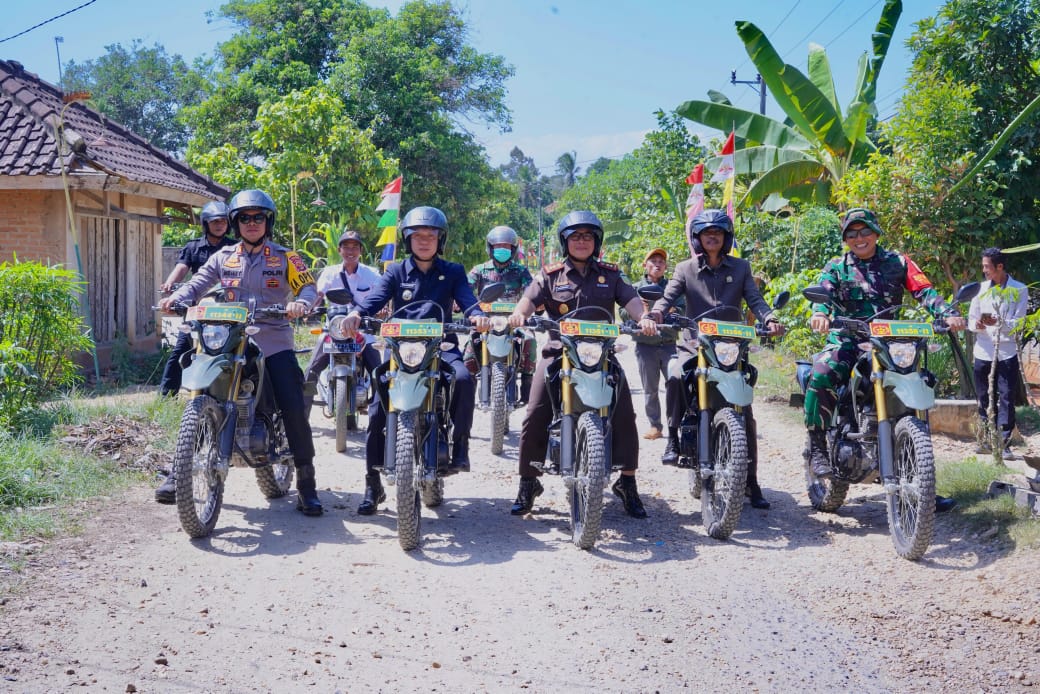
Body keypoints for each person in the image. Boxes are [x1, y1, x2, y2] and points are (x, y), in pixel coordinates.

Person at [156, 189, 324, 516]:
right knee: (198, 394)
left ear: (267, 221)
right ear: (235, 222)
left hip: (272, 337)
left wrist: (300, 303)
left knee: (291, 401)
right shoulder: (223, 257)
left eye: (257, 217)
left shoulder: (287, 257)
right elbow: (197, 283)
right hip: (230, 338)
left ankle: (306, 481)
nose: (251, 223)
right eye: (244, 218)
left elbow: (308, 286)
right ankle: (179, 473)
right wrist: (178, 298)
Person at [804, 207, 966, 513]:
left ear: (876, 233)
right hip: (848, 340)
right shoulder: (836, 267)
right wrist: (820, 314)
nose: (859, 238)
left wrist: (948, 314)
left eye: (864, 232)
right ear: (846, 239)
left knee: (912, 400)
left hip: (890, 344)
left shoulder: (899, 263)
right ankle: (816, 448)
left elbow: (925, 291)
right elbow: (823, 294)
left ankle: (924, 486)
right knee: (822, 372)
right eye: (851, 234)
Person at [506, 210, 658, 519]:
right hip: (558, 353)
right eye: (575, 236)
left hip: (601, 355)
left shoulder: (611, 275)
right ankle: (528, 481)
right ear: (565, 241)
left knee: (625, 413)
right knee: (534, 412)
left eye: (588, 236)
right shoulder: (551, 275)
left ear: (597, 241)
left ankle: (627, 482)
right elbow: (527, 300)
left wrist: (646, 320)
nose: (582, 241)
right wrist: (518, 314)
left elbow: (632, 303)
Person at [341, 206, 490, 515]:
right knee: (377, 411)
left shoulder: (453, 271)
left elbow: (467, 300)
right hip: (399, 350)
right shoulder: (395, 271)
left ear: (440, 240)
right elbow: (376, 298)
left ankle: (460, 446)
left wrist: (477, 316)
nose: (425, 241)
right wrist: (357, 313)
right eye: (418, 236)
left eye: (431, 235)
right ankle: (373, 485)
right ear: (408, 240)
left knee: (463, 379)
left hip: (441, 345)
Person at [647, 210, 783, 510]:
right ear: (697, 237)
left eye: (718, 232)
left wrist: (770, 318)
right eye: (706, 232)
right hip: (694, 345)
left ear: (726, 237)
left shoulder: (741, 267)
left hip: (731, 347)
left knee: (743, 412)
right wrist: (656, 313)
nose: (712, 236)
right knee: (674, 376)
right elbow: (667, 298)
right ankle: (672, 438)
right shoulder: (685, 269)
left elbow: (755, 300)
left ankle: (751, 481)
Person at [157, 201, 235, 397]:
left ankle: (231, 395)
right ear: (206, 223)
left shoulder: (235, 247)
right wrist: (169, 284)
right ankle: (166, 396)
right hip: (198, 311)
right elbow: (182, 268)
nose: (220, 225)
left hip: (229, 310)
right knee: (181, 351)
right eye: (215, 221)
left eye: (223, 222)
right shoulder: (193, 247)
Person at [302, 229, 382, 415]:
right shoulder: (330, 273)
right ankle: (302, 418)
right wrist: (310, 308)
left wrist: (384, 310)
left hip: (362, 332)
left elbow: (381, 298)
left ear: (361, 250)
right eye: (346, 247)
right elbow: (319, 295)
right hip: (334, 330)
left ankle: (382, 420)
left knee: (380, 374)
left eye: (355, 247)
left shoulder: (373, 275)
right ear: (339, 250)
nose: (350, 251)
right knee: (310, 372)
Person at [463, 225, 538, 406]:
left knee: (530, 340)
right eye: (498, 246)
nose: (502, 250)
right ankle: (467, 395)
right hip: (485, 321)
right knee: (468, 348)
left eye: (506, 246)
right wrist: (464, 308)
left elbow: (532, 293)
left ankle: (527, 387)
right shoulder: (479, 270)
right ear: (490, 248)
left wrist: (535, 306)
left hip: (514, 320)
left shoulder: (521, 271)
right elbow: (465, 292)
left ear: (513, 249)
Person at [968, 247, 1030, 460]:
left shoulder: (1019, 290)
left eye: (987, 266)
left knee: (1006, 397)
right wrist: (978, 325)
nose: (984, 270)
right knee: (984, 396)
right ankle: (986, 440)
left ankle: (1004, 443)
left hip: (1006, 352)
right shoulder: (980, 289)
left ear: (1000, 266)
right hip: (983, 350)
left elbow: (1019, 323)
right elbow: (971, 320)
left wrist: (999, 323)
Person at [620, 248, 683, 441]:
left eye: (661, 261)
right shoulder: (636, 288)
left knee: (677, 384)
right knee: (650, 388)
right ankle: (655, 425)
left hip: (669, 343)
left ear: (665, 267)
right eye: (653, 261)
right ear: (645, 265)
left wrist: (669, 310)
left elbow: (683, 308)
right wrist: (641, 308)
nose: (657, 264)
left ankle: (678, 424)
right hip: (645, 345)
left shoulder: (673, 287)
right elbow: (623, 313)